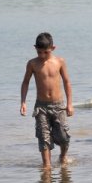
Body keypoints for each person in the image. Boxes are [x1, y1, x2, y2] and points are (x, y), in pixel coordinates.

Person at [20, 32, 73, 168]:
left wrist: (69, 104)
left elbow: (67, 82)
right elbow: (25, 82)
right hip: (41, 106)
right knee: (43, 137)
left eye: (46, 52)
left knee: (63, 136)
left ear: (53, 48)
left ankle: (62, 156)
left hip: (58, 105)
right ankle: (47, 167)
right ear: (35, 48)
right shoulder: (32, 64)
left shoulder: (59, 62)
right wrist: (23, 102)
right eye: (39, 52)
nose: (42, 55)